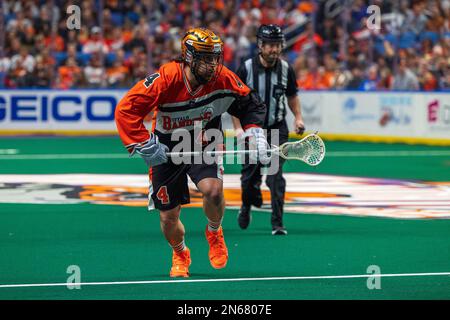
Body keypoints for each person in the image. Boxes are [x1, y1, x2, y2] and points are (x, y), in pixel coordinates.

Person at [115, 28, 270, 278]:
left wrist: (256, 134)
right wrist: (144, 143)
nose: (212, 65)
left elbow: (249, 103)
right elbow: (126, 109)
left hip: (203, 140)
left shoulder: (223, 77)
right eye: (205, 58)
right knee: (168, 217)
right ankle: (180, 253)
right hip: (166, 146)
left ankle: (214, 231)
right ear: (188, 57)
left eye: (215, 58)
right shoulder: (166, 78)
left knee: (213, 190)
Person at [231, 24, 305, 235]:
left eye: (277, 45)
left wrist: (298, 118)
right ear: (260, 45)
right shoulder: (245, 68)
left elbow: (292, 95)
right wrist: (238, 130)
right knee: (249, 179)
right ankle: (246, 205)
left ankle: (277, 223)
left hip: (277, 128)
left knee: (275, 175)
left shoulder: (286, 69)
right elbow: (234, 103)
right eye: (270, 45)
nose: (274, 49)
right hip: (251, 129)